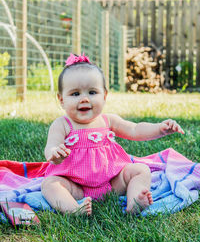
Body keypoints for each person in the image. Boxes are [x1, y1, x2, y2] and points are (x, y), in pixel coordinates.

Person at [41, 53, 184, 216]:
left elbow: (135, 129)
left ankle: (135, 201)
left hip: (111, 183)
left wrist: (160, 129)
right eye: (75, 94)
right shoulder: (62, 124)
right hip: (75, 186)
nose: (84, 99)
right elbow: (51, 145)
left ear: (104, 95)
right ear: (61, 100)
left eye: (92, 92)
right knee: (50, 184)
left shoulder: (108, 121)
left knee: (141, 170)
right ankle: (74, 209)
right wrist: (55, 154)